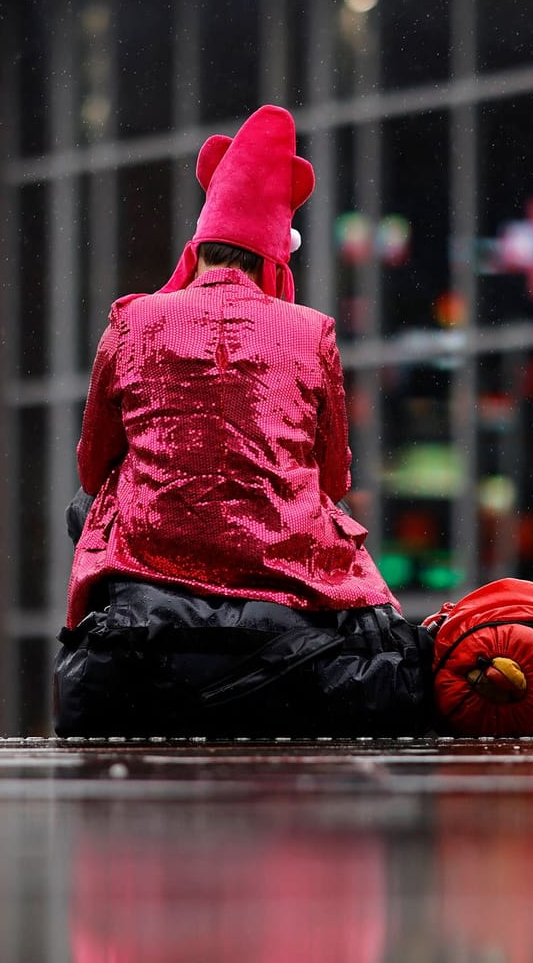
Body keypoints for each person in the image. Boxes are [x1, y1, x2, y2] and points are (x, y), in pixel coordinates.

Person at [54, 105, 436, 738]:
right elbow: (334, 477)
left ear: (199, 247)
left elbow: (92, 464)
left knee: (92, 497)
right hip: (282, 583)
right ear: (273, 260)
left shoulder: (131, 320)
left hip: (145, 583)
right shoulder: (313, 332)